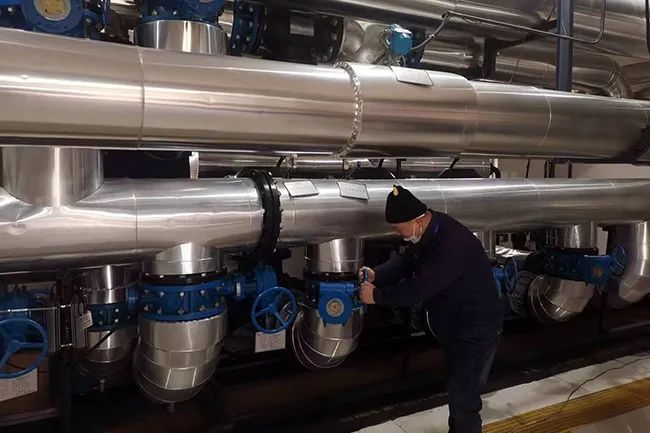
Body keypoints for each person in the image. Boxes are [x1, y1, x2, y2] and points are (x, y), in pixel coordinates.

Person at [359, 185, 503, 433]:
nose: (397, 233)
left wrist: (377, 296)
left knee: (464, 400)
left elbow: (418, 288)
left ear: (416, 221)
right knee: (459, 391)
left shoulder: (452, 244)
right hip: (456, 326)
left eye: (398, 228)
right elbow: (406, 261)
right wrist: (377, 274)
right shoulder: (432, 229)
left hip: (475, 330)